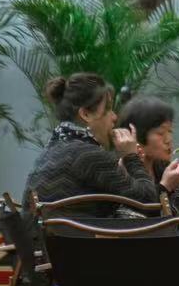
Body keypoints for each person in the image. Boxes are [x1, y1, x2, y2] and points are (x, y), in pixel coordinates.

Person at [22, 73, 157, 208]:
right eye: (108, 109)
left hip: (41, 229)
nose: (114, 117)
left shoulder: (49, 151)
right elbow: (148, 201)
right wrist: (131, 157)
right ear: (85, 114)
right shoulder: (89, 155)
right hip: (76, 230)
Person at [119, 96, 179, 215]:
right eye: (160, 133)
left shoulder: (161, 167)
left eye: (170, 131)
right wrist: (164, 187)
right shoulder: (122, 172)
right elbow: (140, 222)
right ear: (136, 137)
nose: (168, 140)